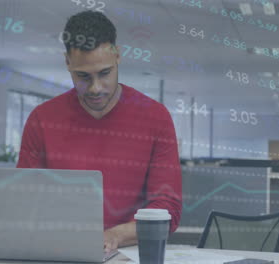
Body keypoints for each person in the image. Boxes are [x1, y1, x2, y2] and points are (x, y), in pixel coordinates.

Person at [16, 11, 182, 253]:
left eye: (104, 73)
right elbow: (23, 200)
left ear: (118, 56)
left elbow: (168, 210)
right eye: (83, 76)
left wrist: (114, 235)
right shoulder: (41, 120)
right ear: (67, 63)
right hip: (59, 252)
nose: (95, 88)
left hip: (128, 253)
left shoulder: (156, 118)